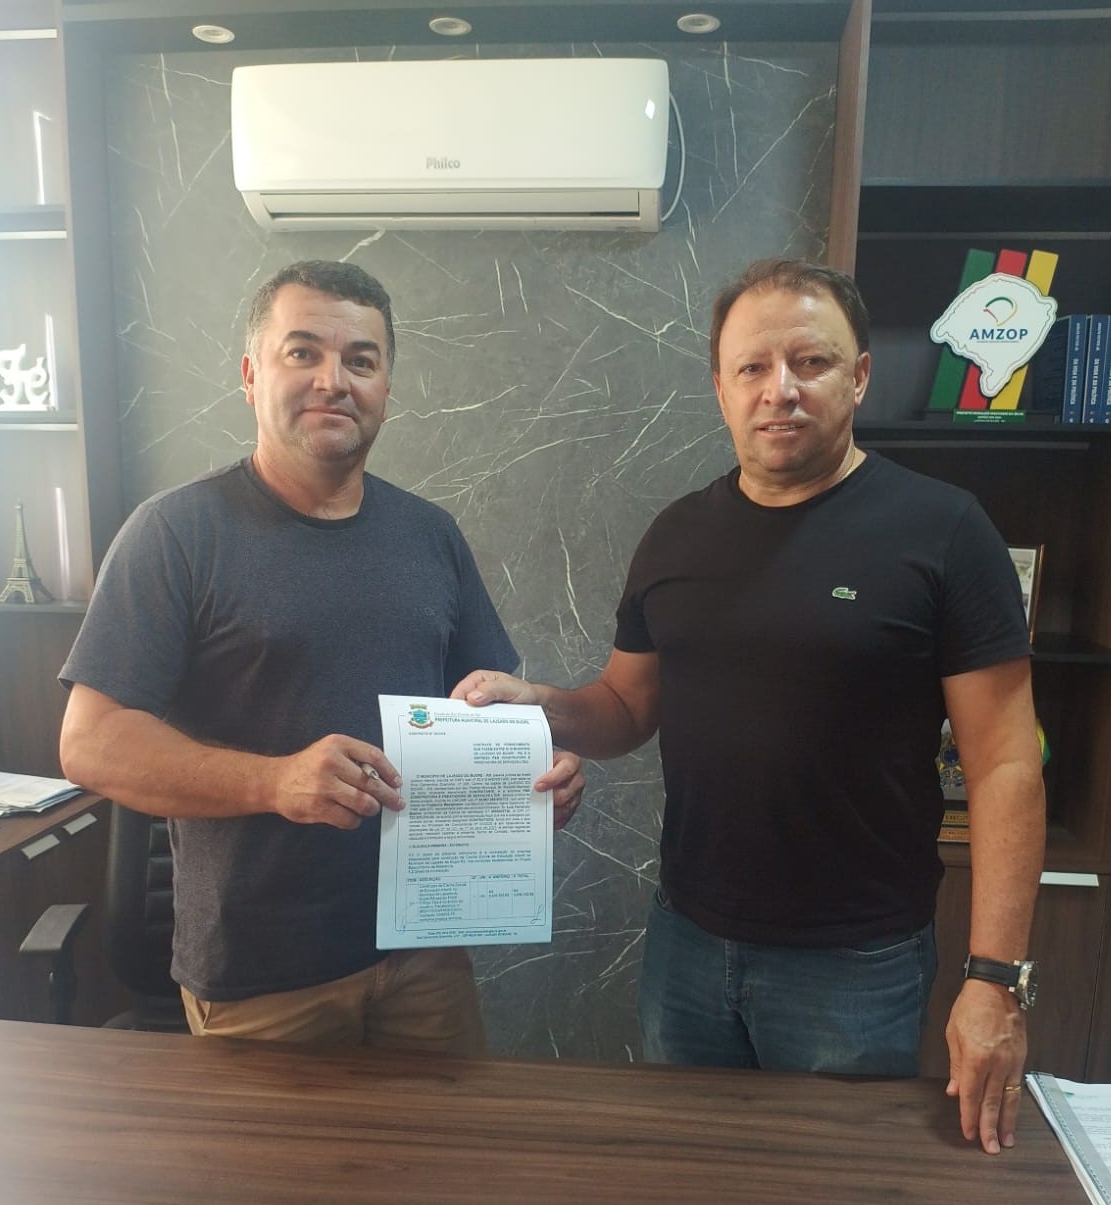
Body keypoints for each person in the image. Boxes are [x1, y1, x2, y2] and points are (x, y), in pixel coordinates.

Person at [454, 258, 1045, 1153]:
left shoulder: (945, 531)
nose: (780, 390)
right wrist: (531, 703)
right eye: (752, 367)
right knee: (686, 1171)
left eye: (810, 362)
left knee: (833, 1179)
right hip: (686, 943)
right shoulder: (675, 535)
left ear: (858, 374)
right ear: (720, 387)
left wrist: (994, 978)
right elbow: (623, 708)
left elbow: (1003, 763)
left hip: (855, 964)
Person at [58, 259, 584, 1055]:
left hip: (424, 955)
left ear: (385, 389)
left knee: (449, 1142)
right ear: (250, 375)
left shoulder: (430, 536)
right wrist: (273, 781)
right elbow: (89, 742)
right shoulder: (175, 535)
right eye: (302, 352)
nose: (332, 380)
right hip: (261, 978)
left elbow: (484, 710)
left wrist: (533, 777)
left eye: (359, 360)